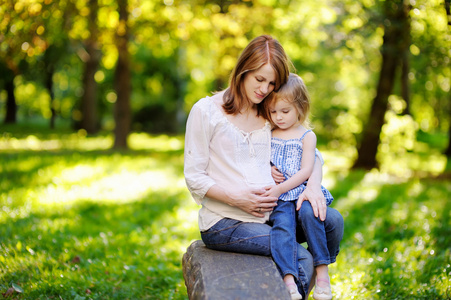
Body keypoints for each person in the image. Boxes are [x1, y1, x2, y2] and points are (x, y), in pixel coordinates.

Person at [184, 35, 343, 299]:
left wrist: (313, 187)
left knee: (332, 222)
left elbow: (310, 152)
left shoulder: (269, 113)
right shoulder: (207, 111)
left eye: (271, 83)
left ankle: (297, 288)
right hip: (226, 221)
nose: (264, 89)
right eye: (259, 79)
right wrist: (238, 199)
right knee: (301, 259)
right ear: (243, 71)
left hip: (272, 214)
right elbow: (194, 176)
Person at [262, 73, 336, 300]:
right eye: (273, 112)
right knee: (282, 227)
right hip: (281, 199)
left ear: (300, 108)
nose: (279, 117)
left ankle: (322, 273)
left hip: (301, 192)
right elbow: (257, 159)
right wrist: (268, 169)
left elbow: (306, 170)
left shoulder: (307, 136)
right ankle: (289, 279)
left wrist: (281, 188)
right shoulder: (268, 133)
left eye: (285, 111)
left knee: (312, 214)